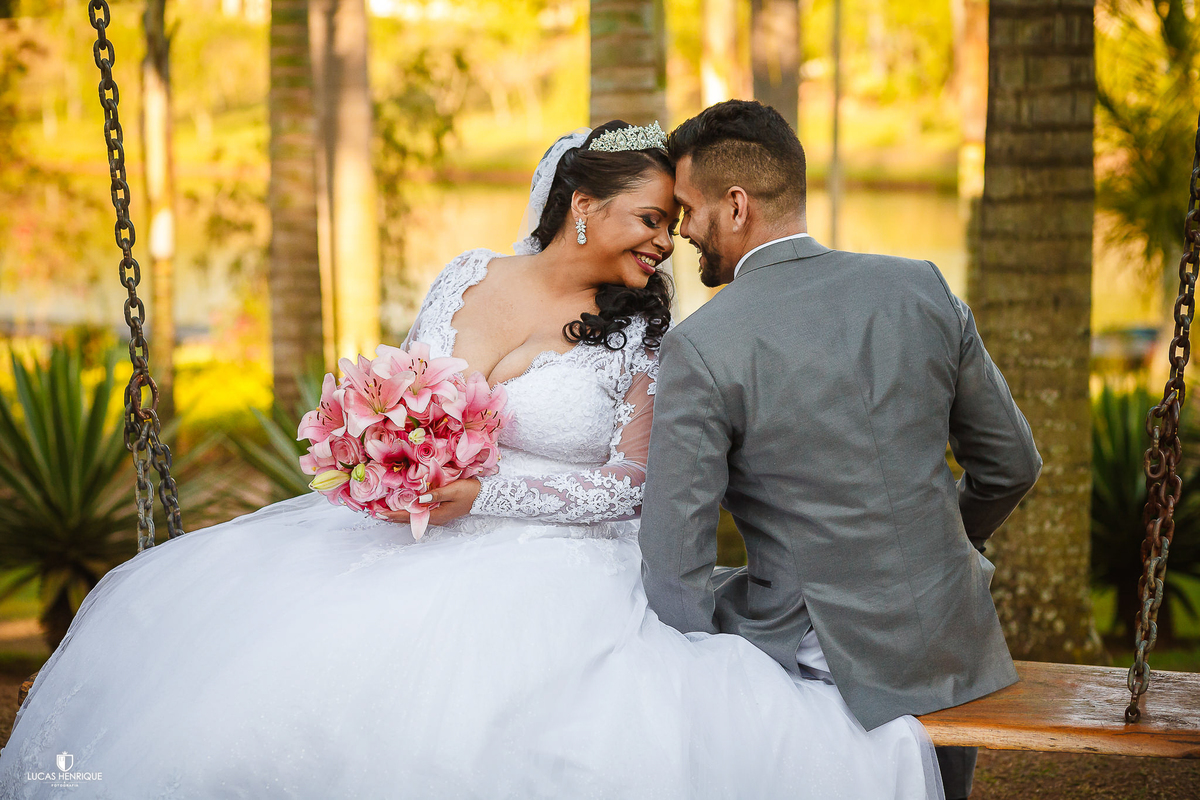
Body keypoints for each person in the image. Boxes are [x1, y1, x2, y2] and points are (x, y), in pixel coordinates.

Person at [0, 121, 942, 799]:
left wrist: (483, 489)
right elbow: (409, 397)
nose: (667, 242)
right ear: (583, 206)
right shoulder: (467, 275)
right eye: (652, 218)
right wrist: (387, 451)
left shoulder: (646, 338)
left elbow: (631, 490)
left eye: (675, 222)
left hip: (564, 571)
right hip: (407, 541)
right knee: (260, 698)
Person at [639, 99, 1043, 800]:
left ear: (736, 207)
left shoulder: (702, 346)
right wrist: (939, 545)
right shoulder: (922, 287)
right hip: (951, 638)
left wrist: (692, 691)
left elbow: (676, 567)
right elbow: (1012, 463)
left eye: (689, 211)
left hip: (818, 662)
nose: (683, 233)